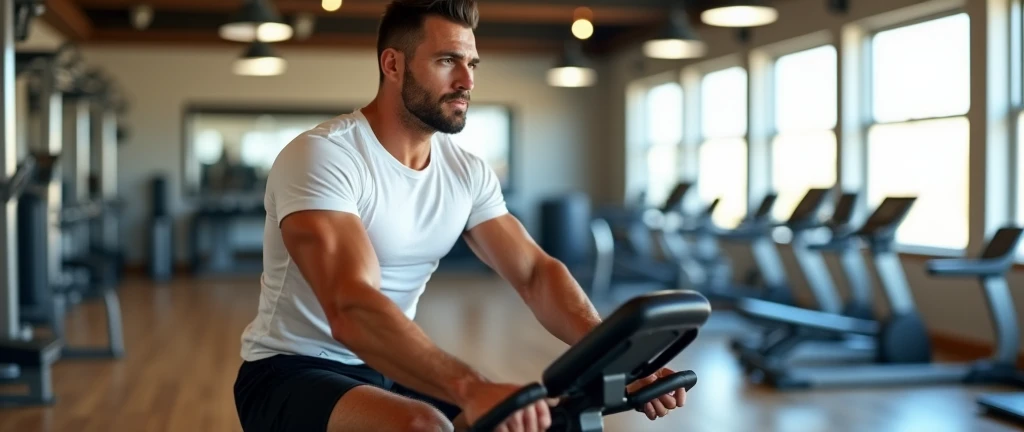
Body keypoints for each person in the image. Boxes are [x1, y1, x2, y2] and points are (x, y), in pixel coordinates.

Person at [232, 1, 689, 431]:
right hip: (288, 372)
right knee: (425, 425)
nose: (467, 81)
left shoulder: (466, 171)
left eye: (471, 64)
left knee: (523, 421)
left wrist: (617, 357)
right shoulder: (325, 156)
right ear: (393, 65)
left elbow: (533, 272)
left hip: (389, 365)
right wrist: (471, 387)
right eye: (447, 61)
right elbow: (350, 306)